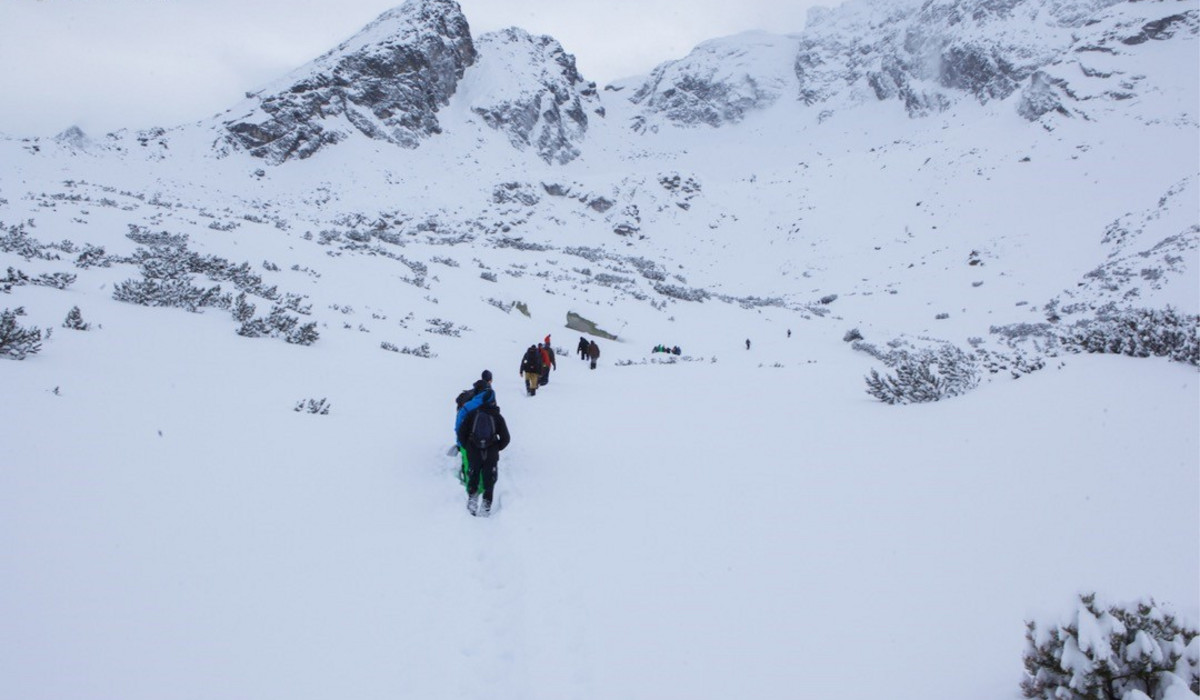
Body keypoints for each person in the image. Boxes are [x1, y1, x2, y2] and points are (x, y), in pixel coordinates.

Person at [456, 388, 510, 517]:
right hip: (491, 453)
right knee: (489, 479)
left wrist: (468, 446)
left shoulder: (472, 414)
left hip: (473, 451)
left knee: (473, 475)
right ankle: (486, 504)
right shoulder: (497, 416)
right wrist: (497, 447)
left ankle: (472, 499)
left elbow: (461, 433)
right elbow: (506, 438)